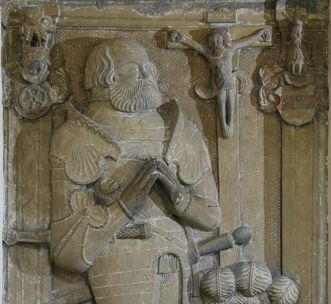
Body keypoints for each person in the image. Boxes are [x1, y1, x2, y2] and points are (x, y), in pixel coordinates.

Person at [50, 38, 221, 304]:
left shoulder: (181, 132)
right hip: (119, 271)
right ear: (105, 78)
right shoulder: (75, 137)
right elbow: (66, 253)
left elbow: (211, 218)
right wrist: (124, 208)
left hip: (175, 266)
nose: (147, 74)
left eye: (149, 68)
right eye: (134, 67)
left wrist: (178, 196)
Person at [170, 28, 271, 139]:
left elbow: (245, 42)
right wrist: (181, 39)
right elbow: (195, 46)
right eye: (212, 42)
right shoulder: (210, 54)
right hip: (218, 83)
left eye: (218, 41)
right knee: (221, 104)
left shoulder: (230, 49)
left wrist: (259, 36)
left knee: (231, 105)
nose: (215, 44)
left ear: (223, 40)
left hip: (231, 81)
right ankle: (224, 125)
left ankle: (230, 124)